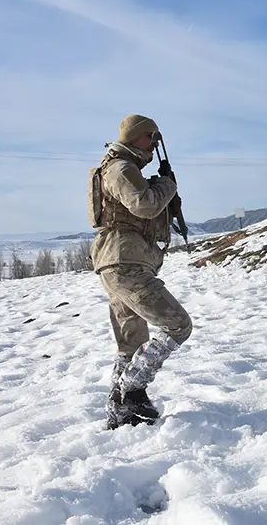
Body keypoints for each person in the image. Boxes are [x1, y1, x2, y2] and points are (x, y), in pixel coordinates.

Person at [89, 115, 193, 429]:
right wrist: (166, 185)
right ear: (140, 137)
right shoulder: (121, 168)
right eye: (153, 139)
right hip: (126, 263)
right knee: (178, 325)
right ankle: (130, 390)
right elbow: (144, 205)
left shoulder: (123, 167)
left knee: (130, 343)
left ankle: (122, 411)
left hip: (121, 261)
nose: (155, 146)